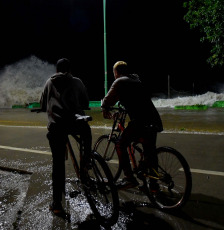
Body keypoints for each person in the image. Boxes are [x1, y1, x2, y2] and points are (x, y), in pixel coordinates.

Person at [40, 58, 91, 217]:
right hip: (76, 123)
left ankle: (56, 204)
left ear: (56, 70)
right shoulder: (77, 81)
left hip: (57, 126)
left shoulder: (49, 82)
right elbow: (85, 102)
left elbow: (42, 103)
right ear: (69, 70)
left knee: (58, 163)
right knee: (86, 134)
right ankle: (86, 163)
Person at [101, 61, 163, 190]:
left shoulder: (119, 81)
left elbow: (108, 100)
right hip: (154, 120)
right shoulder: (136, 80)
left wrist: (105, 108)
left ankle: (129, 178)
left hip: (140, 122)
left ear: (116, 72)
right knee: (150, 151)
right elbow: (136, 100)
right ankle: (153, 185)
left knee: (120, 144)